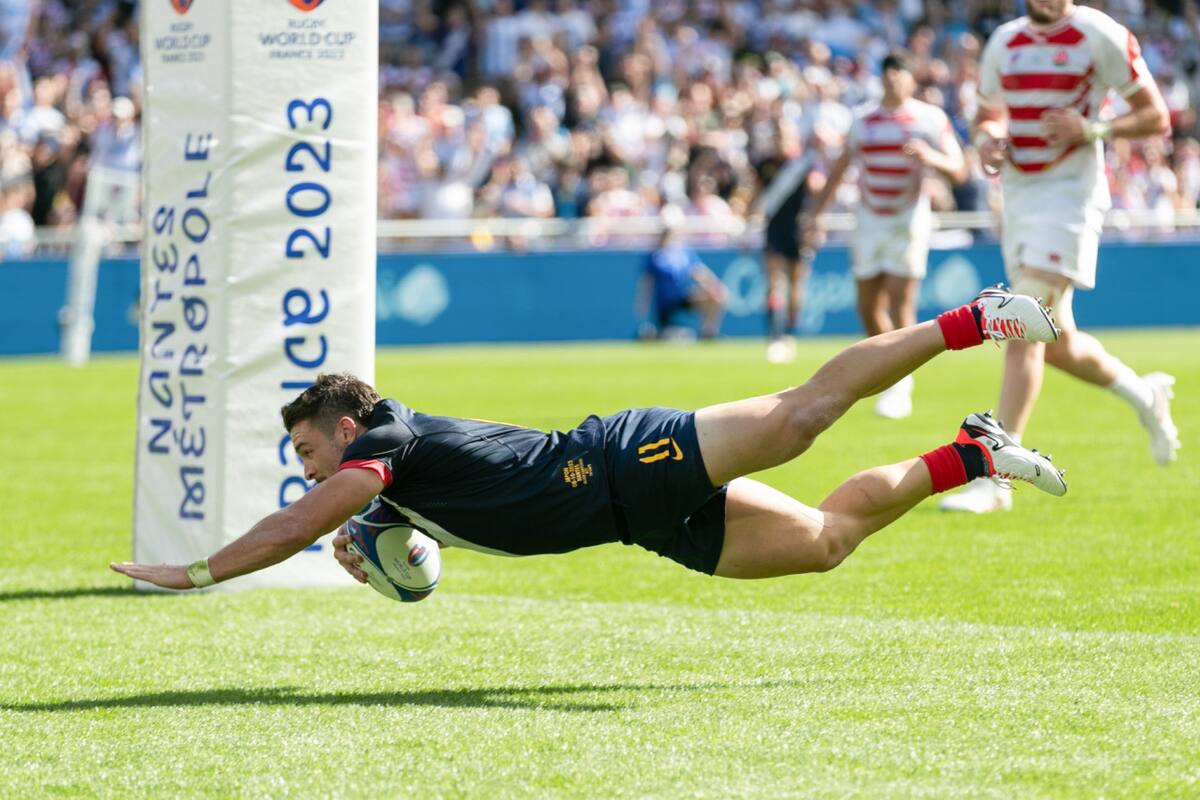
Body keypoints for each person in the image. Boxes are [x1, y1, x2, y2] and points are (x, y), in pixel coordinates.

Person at [112, 288, 1066, 592]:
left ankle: (971, 322)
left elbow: (287, 530)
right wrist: (382, 555)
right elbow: (410, 552)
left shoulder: (385, 443)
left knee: (798, 418)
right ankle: (973, 454)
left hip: (621, 459)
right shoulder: (383, 485)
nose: (307, 468)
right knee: (823, 544)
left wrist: (196, 573)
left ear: (347, 427)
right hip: (633, 521)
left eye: (308, 451)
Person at [940, 0, 1181, 514]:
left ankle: (995, 475)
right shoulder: (1005, 41)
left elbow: (1155, 116)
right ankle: (1146, 398)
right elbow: (986, 113)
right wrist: (986, 141)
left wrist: (1093, 129)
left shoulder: (1102, 34)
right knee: (1057, 341)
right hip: (1020, 195)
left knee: (1022, 323)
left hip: (1071, 195)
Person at [805, 50, 968, 420]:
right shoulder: (863, 119)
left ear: (912, 79)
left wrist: (930, 158)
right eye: (888, 72)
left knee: (901, 304)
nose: (894, 78)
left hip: (908, 219)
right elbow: (840, 168)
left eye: (901, 72)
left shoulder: (929, 118)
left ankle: (900, 384)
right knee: (868, 308)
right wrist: (816, 214)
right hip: (868, 218)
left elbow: (959, 170)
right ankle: (890, 372)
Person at [751, 124, 816, 364]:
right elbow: (756, 193)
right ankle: (774, 335)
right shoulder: (765, 164)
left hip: (797, 229)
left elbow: (815, 194)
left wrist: (814, 225)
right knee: (774, 282)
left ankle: (789, 334)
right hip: (773, 229)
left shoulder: (803, 166)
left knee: (796, 286)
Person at [633, 214, 727, 340]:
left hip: (683, 297)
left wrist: (712, 285)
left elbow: (698, 272)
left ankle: (708, 333)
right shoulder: (654, 256)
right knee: (664, 335)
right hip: (665, 303)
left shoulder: (684, 252)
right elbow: (647, 282)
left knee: (717, 298)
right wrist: (642, 304)